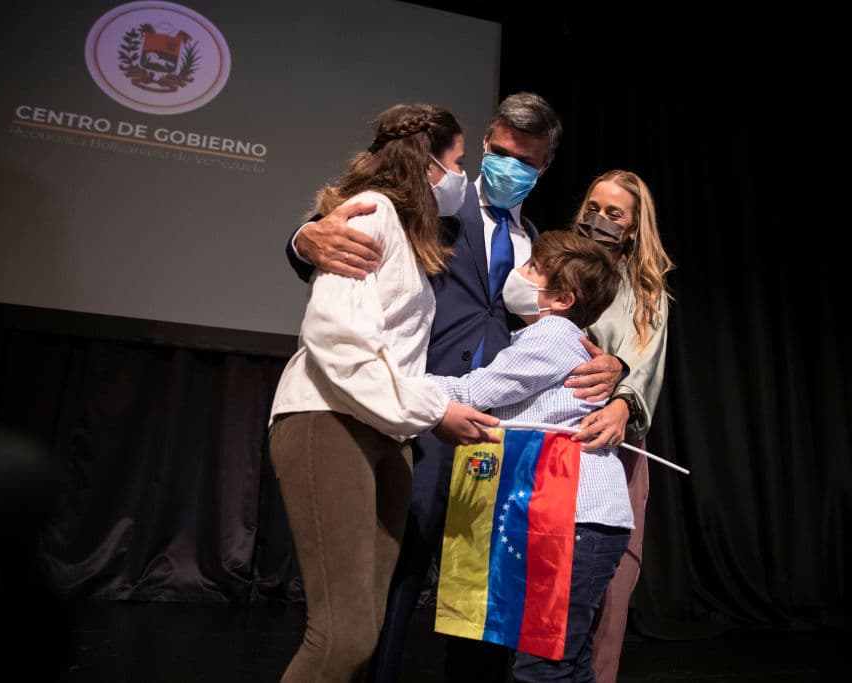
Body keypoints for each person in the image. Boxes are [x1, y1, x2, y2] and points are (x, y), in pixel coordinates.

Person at [287, 93, 626, 683]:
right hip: (414, 417)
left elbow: (564, 332)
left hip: (492, 444)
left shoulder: (539, 247)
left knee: (483, 607)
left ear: (544, 167)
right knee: (388, 587)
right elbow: (343, 231)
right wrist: (303, 237)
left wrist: (616, 374)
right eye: (495, 151)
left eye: (523, 159)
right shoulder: (431, 203)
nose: (504, 165)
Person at [267, 103, 499, 683]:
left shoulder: (410, 231)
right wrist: (432, 407)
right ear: (428, 167)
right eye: (460, 162)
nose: (464, 179)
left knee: (363, 634)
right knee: (339, 638)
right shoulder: (369, 217)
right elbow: (338, 341)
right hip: (331, 419)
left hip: (387, 432)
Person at [429, 229, 630, 681]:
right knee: (565, 660)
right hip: (575, 518)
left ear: (560, 299)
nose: (518, 273)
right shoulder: (546, 336)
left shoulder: (553, 337)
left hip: (576, 519)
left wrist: (395, 384)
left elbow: (473, 393)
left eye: (532, 269)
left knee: (543, 664)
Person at [567, 170, 674, 683]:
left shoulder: (645, 291)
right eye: (593, 208)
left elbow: (643, 359)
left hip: (616, 447)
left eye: (614, 214)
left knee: (610, 588)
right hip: (551, 438)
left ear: (632, 228)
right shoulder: (552, 264)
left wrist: (622, 405)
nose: (599, 220)